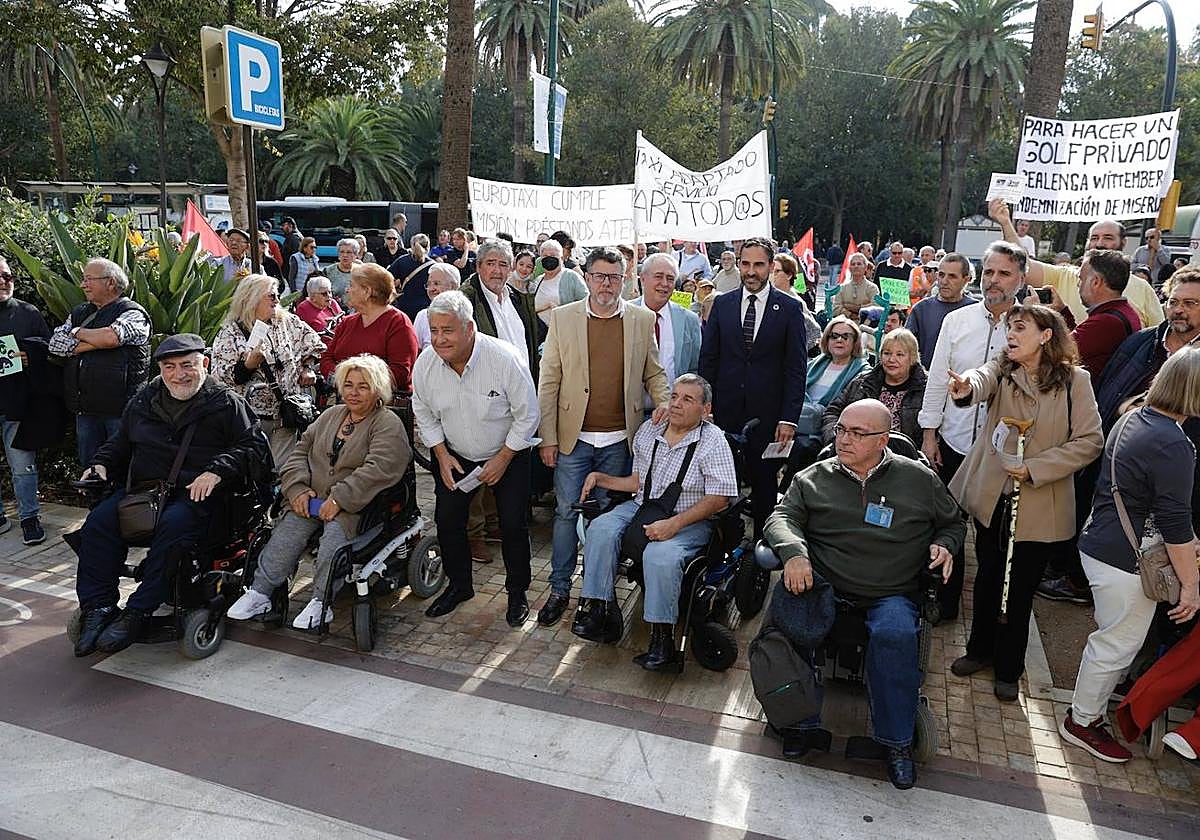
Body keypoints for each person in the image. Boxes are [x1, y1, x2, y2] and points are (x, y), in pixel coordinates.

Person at [766, 399, 964, 790]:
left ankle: (896, 743)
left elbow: (953, 522)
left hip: (889, 591)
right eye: (841, 429)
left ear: (883, 439)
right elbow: (781, 517)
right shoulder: (813, 478)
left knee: (896, 634)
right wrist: (793, 554)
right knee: (784, 620)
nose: (844, 439)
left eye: (857, 433)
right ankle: (798, 723)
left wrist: (945, 544)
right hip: (823, 586)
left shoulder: (918, 480)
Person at [71, 334, 271, 655]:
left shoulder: (226, 403)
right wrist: (101, 465)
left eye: (187, 365)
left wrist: (217, 469)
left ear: (204, 364)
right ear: (161, 369)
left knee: (175, 526)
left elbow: (255, 447)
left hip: (200, 496)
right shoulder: (144, 400)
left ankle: (138, 610)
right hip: (146, 493)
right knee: (98, 523)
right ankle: (98, 608)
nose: (179, 374)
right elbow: (120, 443)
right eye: (170, 367)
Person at [946, 303, 1104, 702]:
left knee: (1020, 588)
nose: (1011, 334)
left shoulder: (1075, 381)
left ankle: (1009, 667)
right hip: (993, 496)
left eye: (1021, 328)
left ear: (1046, 335)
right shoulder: (1003, 368)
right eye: (1010, 328)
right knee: (986, 578)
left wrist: (1035, 467)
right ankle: (978, 650)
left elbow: (1090, 441)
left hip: (1038, 505)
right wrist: (965, 386)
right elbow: (979, 380)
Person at [1057, 347, 1200, 763]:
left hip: (1102, 544)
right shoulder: (1173, 442)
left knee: (1111, 640)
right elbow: (1175, 525)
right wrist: (1190, 587)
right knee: (1116, 645)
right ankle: (1082, 722)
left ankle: (1085, 716)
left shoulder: (1134, 416)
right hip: (1126, 561)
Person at [536, 247, 669, 627]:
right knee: (565, 514)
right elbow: (549, 383)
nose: (606, 284)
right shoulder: (563, 319)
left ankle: (600, 593)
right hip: (571, 440)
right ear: (588, 277)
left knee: (607, 520)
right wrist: (546, 438)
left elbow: (654, 373)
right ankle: (560, 588)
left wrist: (663, 402)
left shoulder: (642, 320)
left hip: (618, 441)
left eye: (613, 277)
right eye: (599, 276)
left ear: (625, 279)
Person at [227, 354, 411, 630]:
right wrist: (298, 489)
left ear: (377, 390)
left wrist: (340, 498)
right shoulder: (331, 415)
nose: (354, 392)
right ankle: (260, 593)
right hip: (312, 498)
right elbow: (299, 452)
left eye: (363, 386)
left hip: (356, 506)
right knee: (286, 533)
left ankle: (321, 602)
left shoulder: (386, 423)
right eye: (348, 385)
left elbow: (378, 469)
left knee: (333, 542)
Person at [574, 374, 737, 667]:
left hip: (689, 519)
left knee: (660, 556)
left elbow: (720, 497)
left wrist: (675, 524)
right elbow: (638, 481)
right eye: (674, 396)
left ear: (705, 409)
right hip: (644, 506)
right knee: (600, 529)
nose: (676, 404)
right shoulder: (651, 430)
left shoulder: (714, 441)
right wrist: (602, 478)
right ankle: (599, 610)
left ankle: (662, 642)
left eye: (687, 399)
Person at [411, 291, 540, 624]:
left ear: (469, 328)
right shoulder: (426, 362)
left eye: (447, 330)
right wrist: (439, 452)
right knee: (448, 521)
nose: (439, 339)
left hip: (508, 452)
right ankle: (459, 586)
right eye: (434, 330)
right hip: (454, 454)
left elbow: (528, 415)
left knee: (512, 525)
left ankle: (517, 593)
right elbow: (422, 411)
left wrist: (504, 457)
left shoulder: (504, 358)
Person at [918, 242, 1024, 619]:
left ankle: (988, 620)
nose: (994, 280)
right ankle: (945, 605)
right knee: (949, 530)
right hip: (954, 442)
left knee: (992, 543)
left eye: (1004, 273)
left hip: (1002, 456)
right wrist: (929, 435)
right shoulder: (957, 321)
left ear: (1021, 279)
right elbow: (935, 383)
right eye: (990, 272)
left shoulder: (1030, 327)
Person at [699, 236, 808, 533]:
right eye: (745, 264)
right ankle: (722, 549)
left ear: (771, 266)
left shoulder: (788, 308)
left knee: (763, 490)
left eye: (758, 265)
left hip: (769, 418)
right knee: (721, 486)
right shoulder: (722, 304)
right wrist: (704, 408)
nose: (751, 271)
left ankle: (760, 555)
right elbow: (708, 360)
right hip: (724, 414)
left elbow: (796, 369)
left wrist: (788, 418)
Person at [990, 198, 1163, 329]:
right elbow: (1023, 263)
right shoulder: (1064, 275)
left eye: (1108, 238)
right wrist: (1006, 222)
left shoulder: (1143, 289)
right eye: (1094, 238)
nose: (1100, 243)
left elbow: (1157, 337)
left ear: (1123, 243)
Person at [211, 274, 326, 465]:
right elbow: (221, 376)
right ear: (252, 298)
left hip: (285, 416)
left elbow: (314, 343)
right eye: (271, 296)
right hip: (250, 420)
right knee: (256, 471)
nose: (277, 300)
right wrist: (248, 365)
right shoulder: (231, 331)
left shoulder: (287, 322)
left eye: (277, 295)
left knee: (282, 472)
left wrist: (307, 367)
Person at [49, 258, 151, 465]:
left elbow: (111, 338)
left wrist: (76, 333)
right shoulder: (80, 312)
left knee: (120, 468)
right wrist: (97, 341)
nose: (83, 284)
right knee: (90, 469)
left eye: (89, 279)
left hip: (121, 411)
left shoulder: (133, 313)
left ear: (111, 282)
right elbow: (55, 345)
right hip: (86, 410)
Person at [0, 256, 51, 544]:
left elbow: (49, 349)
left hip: (18, 404)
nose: (3, 282)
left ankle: (29, 518)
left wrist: (30, 356)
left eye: (7, 276)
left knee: (23, 465)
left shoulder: (28, 312)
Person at [1028, 249, 1141, 378]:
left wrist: (1035, 315)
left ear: (1096, 282)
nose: (1078, 285)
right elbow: (1079, 341)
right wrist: (1062, 311)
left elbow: (1052, 353)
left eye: (1081, 279)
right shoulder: (1124, 311)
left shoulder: (1106, 322)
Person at [320, 264, 420, 394]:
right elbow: (326, 358)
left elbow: (400, 374)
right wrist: (343, 381)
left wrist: (356, 384)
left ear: (367, 291)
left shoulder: (398, 323)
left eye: (351, 285)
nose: (347, 290)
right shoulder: (347, 322)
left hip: (382, 405)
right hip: (343, 401)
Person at [822, 329, 926, 445]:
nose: (891, 360)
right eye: (887, 353)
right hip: (857, 450)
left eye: (900, 355)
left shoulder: (925, 388)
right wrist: (836, 439)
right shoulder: (863, 382)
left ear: (912, 358)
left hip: (906, 455)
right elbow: (832, 412)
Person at [461, 240, 540, 381]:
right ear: (478, 266)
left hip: (523, 388)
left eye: (503, 264)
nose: (497, 270)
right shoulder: (466, 302)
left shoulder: (519, 299)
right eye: (490, 263)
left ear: (510, 269)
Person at [633, 253, 702, 392]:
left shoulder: (689, 320)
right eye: (658, 276)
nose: (664, 283)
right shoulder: (625, 314)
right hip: (629, 410)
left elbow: (694, 369)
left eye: (670, 278)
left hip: (672, 410)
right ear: (643, 279)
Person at [905, 253, 978, 369]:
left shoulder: (976, 311)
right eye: (941, 275)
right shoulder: (921, 309)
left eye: (952, 276)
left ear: (966, 279)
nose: (944, 281)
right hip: (926, 381)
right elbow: (906, 348)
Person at [531, 238, 587, 325]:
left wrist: (564, 311)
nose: (549, 258)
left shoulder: (572, 277)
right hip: (541, 333)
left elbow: (587, 302)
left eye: (553, 255)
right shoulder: (538, 281)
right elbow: (531, 308)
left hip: (565, 331)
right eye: (545, 256)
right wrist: (546, 306)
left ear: (561, 258)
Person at [413, 263, 460, 352]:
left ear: (453, 286)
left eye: (436, 284)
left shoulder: (464, 315)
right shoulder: (422, 316)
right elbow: (415, 351)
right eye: (428, 284)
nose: (431, 289)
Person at [389, 233, 435, 322]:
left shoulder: (402, 261)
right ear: (428, 247)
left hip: (405, 306)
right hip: (425, 307)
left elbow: (386, 276)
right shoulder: (433, 266)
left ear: (411, 245)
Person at [831, 253, 880, 321]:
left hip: (865, 326)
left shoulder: (872, 288)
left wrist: (857, 308)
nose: (856, 266)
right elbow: (835, 309)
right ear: (850, 268)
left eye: (859, 264)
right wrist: (850, 314)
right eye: (853, 264)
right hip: (844, 324)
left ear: (865, 267)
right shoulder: (842, 288)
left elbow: (876, 307)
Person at [295, 275, 344, 342]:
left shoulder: (332, 303)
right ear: (313, 296)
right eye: (324, 294)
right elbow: (300, 337)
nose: (329, 296)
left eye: (330, 292)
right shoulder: (303, 309)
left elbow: (344, 323)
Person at [323, 238, 361, 304]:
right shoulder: (328, 271)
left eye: (348, 252)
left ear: (355, 255)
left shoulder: (361, 271)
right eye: (342, 252)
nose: (345, 255)